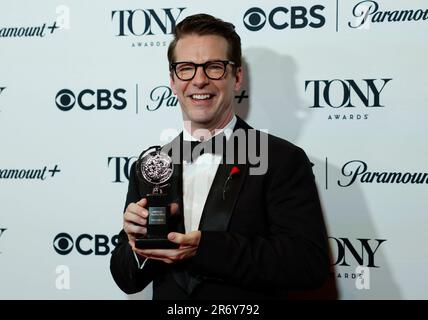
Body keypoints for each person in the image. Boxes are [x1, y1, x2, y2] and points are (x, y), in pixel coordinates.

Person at [110, 13, 329, 300]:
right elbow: (127, 278)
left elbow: (307, 265)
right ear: (173, 81)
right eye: (186, 68)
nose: (199, 81)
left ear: (236, 77)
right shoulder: (153, 163)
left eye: (214, 67)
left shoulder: (281, 159)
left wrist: (205, 250)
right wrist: (135, 244)